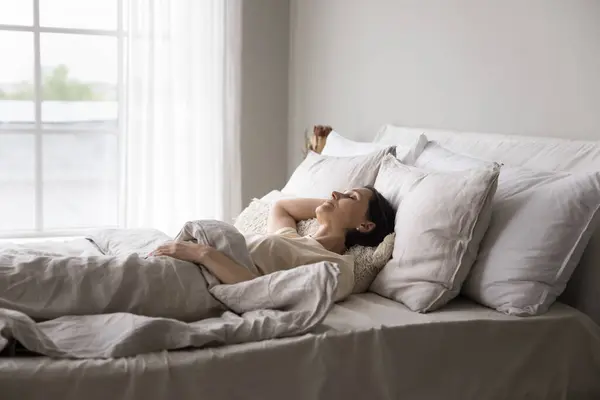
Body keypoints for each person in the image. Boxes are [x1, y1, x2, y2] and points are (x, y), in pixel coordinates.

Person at [151, 186, 396, 301]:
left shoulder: (336, 269)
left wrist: (203, 253)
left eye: (350, 196)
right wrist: (333, 204)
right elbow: (282, 206)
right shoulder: (291, 237)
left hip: (196, 274)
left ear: (365, 225)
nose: (335, 193)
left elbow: (258, 291)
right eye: (339, 191)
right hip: (182, 261)